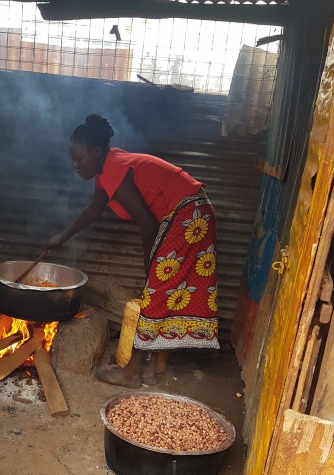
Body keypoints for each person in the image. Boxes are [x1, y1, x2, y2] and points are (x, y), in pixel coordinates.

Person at [46, 114, 219, 388]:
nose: (75, 166)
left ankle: (131, 373)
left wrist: (149, 264)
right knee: (166, 293)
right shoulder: (106, 170)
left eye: (79, 159)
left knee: (157, 292)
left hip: (188, 215)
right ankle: (150, 370)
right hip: (192, 213)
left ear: (96, 151)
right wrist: (62, 237)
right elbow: (93, 209)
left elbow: (147, 223)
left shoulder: (114, 168)